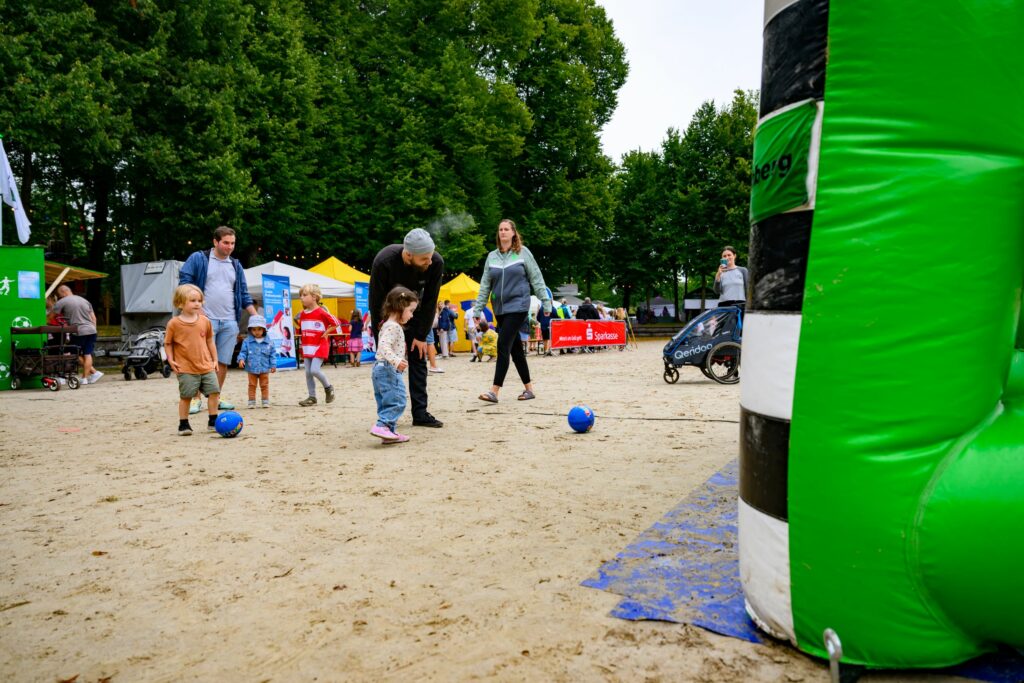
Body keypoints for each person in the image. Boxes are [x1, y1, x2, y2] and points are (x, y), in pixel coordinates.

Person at [369, 228, 445, 428]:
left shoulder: (435, 262)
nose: (429, 262)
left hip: (416, 314)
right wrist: (383, 334)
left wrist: (421, 335)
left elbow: (430, 301)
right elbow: (376, 301)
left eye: (430, 257)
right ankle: (387, 417)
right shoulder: (384, 261)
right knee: (387, 367)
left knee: (418, 360)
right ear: (408, 254)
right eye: (424, 259)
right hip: (390, 319)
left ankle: (420, 413)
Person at [178, 226, 257, 412]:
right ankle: (196, 399)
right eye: (226, 243)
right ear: (215, 242)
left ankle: (216, 397)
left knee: (222, 361)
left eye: (233, 243)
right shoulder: (199, 258)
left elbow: (244, 295)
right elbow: (184, 284)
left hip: (230, 321)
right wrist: (198, 310)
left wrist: (255, 316)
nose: (229, 247)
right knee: (201, 361)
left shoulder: (236, 265)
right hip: (204, 320)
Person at [472, 219, 551, 403]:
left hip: (518, 306)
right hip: (499, 308)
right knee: (516, 351)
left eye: (507, 229)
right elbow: (485, 285)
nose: (503, 232)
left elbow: (537, 278)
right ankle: (529, 389)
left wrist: (546, 302)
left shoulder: (523, 254)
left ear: (514, 233)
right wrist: (478, 308)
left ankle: (494, 391)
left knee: (503, 346)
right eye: (500, 229)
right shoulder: (491, 257)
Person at [164, 284, 220, 436]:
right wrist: (170, 360)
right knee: (186, 396)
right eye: (192, 300)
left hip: (206, 365)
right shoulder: (174, 323)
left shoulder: (205, 321)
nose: (197, 303)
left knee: (214, 392)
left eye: (199, 300)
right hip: (186, 367)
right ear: (180, 303)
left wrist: (215, 359)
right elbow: (168, 343)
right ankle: (184, 424)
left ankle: (213, 420)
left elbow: (210, 341)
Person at [370, 286, 419, 444]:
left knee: (386, 401)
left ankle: (389, 432)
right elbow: (383, 347)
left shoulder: (386, 324)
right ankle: (382, 425)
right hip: (388, 368)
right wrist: (396, 360)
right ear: (400, 307)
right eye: (411, 310)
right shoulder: (393, 326)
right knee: (398, 400)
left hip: (380, 368)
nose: (411, 315)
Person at [295, 283, 339, 406]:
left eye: (304, 295)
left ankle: (328, 387)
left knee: (314, 370)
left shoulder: (321, 312)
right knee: (308, 373)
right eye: (301, 295)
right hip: (308, 347)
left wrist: (326, 332)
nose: (301, 298)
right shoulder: (302, 314)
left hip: (320, 345)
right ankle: (312, 397)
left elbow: (336, 322)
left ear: (314, 297)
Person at [52, 285, 102, 384]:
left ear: (62, 292)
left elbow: (50, 316)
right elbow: (94, 318)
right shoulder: (85, 301)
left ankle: (90, 375)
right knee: (87, 354)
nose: (59, 297)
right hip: (91, 330)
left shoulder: (62, 301)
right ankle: (87, 377)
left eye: (59, 295)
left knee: (73, 354)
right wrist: (94, 329)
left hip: (78, 331)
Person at [237, 314, 276, 408]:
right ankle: (251, 401)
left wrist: (273, 365)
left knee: (264, 385)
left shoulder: (269, 342)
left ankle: (265, 401)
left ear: (264, 329)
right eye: (254, 329)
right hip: (251, 368)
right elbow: (243, 352)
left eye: (259, 329)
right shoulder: (247, 342)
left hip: (264, 368)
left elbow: (272, 354)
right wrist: (241, 359)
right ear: (250, 330)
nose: (256, 332)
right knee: (252, 385)